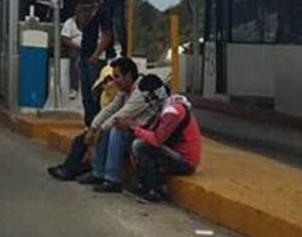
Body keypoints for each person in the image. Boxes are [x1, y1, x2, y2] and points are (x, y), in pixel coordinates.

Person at [80, 56, 158, 193]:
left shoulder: (142, 91)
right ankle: (98, 173)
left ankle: (112, 180)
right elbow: (111, 108)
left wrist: (100, 130)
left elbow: (121, 114)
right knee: (107, 128)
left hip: (150, 133)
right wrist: (93, 128)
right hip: (135, 126)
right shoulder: (126, 89)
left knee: (115, 130)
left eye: (117, 77)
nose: (114, 81)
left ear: (128, 76)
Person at [130, 75, 202, 202]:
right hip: (176, 154)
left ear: (157, 94)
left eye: (149, 97)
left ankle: (155, 189)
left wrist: (133, 128)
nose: (148, 101)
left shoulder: (171, 111)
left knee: (139, 146)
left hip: (185, 162)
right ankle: (149, 185)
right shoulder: (167, 107)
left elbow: (157, 139)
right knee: (140, 142)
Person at [46, 60, 121, 181]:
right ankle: (70, 169)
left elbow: (118, 116)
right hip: (101, 127)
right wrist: (91, 129)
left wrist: (98, 130)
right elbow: (102, 114)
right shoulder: (103, 96)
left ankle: (73, 170)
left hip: (112, 128)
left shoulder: (120, 95)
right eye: (105, 81)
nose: (108, 84)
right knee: (80, 140)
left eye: (111, 80)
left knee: (98, 139)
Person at [73, 0, 113, 125]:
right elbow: (81, 27)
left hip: (95, 56)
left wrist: (96, 54)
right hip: (85, 54)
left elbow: (107, 34)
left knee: (95, 93)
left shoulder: (102, 9)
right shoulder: (82, 9)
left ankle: (97, 125)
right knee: (85, 95)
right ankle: (89, 124)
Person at [60, 15, 83, 100]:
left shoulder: (95, 21)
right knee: (75, 61)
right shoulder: (70, 22)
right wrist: (77, 47)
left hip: (91, 48)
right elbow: (64, 38)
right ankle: (74, 88)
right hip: (75, 48)